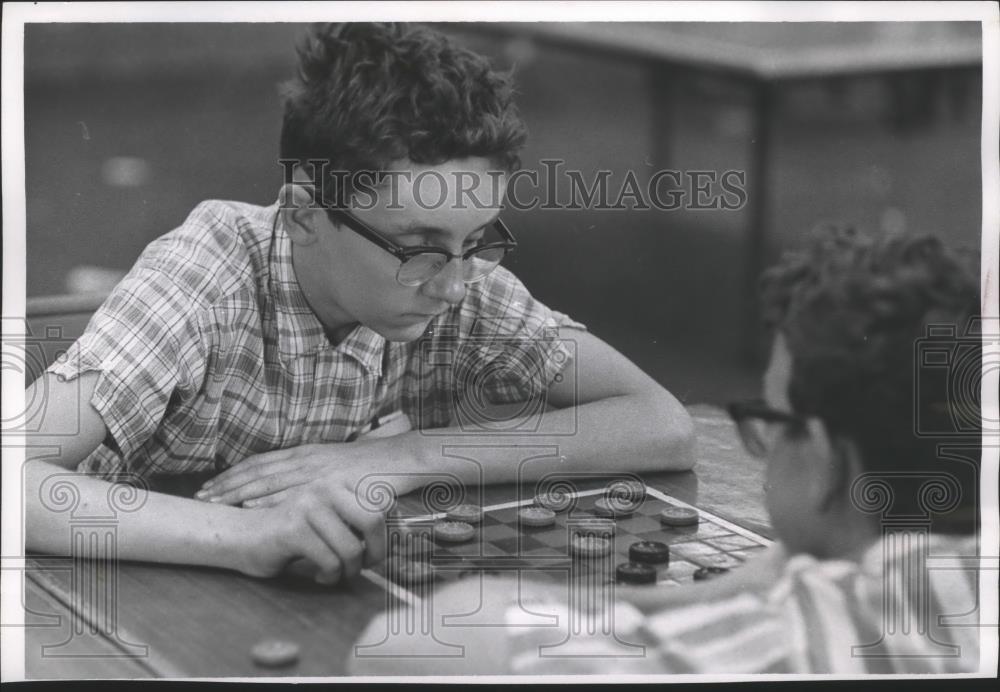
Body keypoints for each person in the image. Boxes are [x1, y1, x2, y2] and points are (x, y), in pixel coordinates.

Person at [24, 23, 695, 585]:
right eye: (418, 245)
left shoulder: (457, 280)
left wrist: (399, 457)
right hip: (105, 598)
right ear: (306, 215)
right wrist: (248, 536)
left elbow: (660, 422)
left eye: (478, 239)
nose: (455, 286)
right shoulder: (204, 275)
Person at [351, 226, 983, 675]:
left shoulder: (791, 640)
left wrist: (713, 599)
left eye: (766, 417)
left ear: (818, 454)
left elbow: (406, 643)